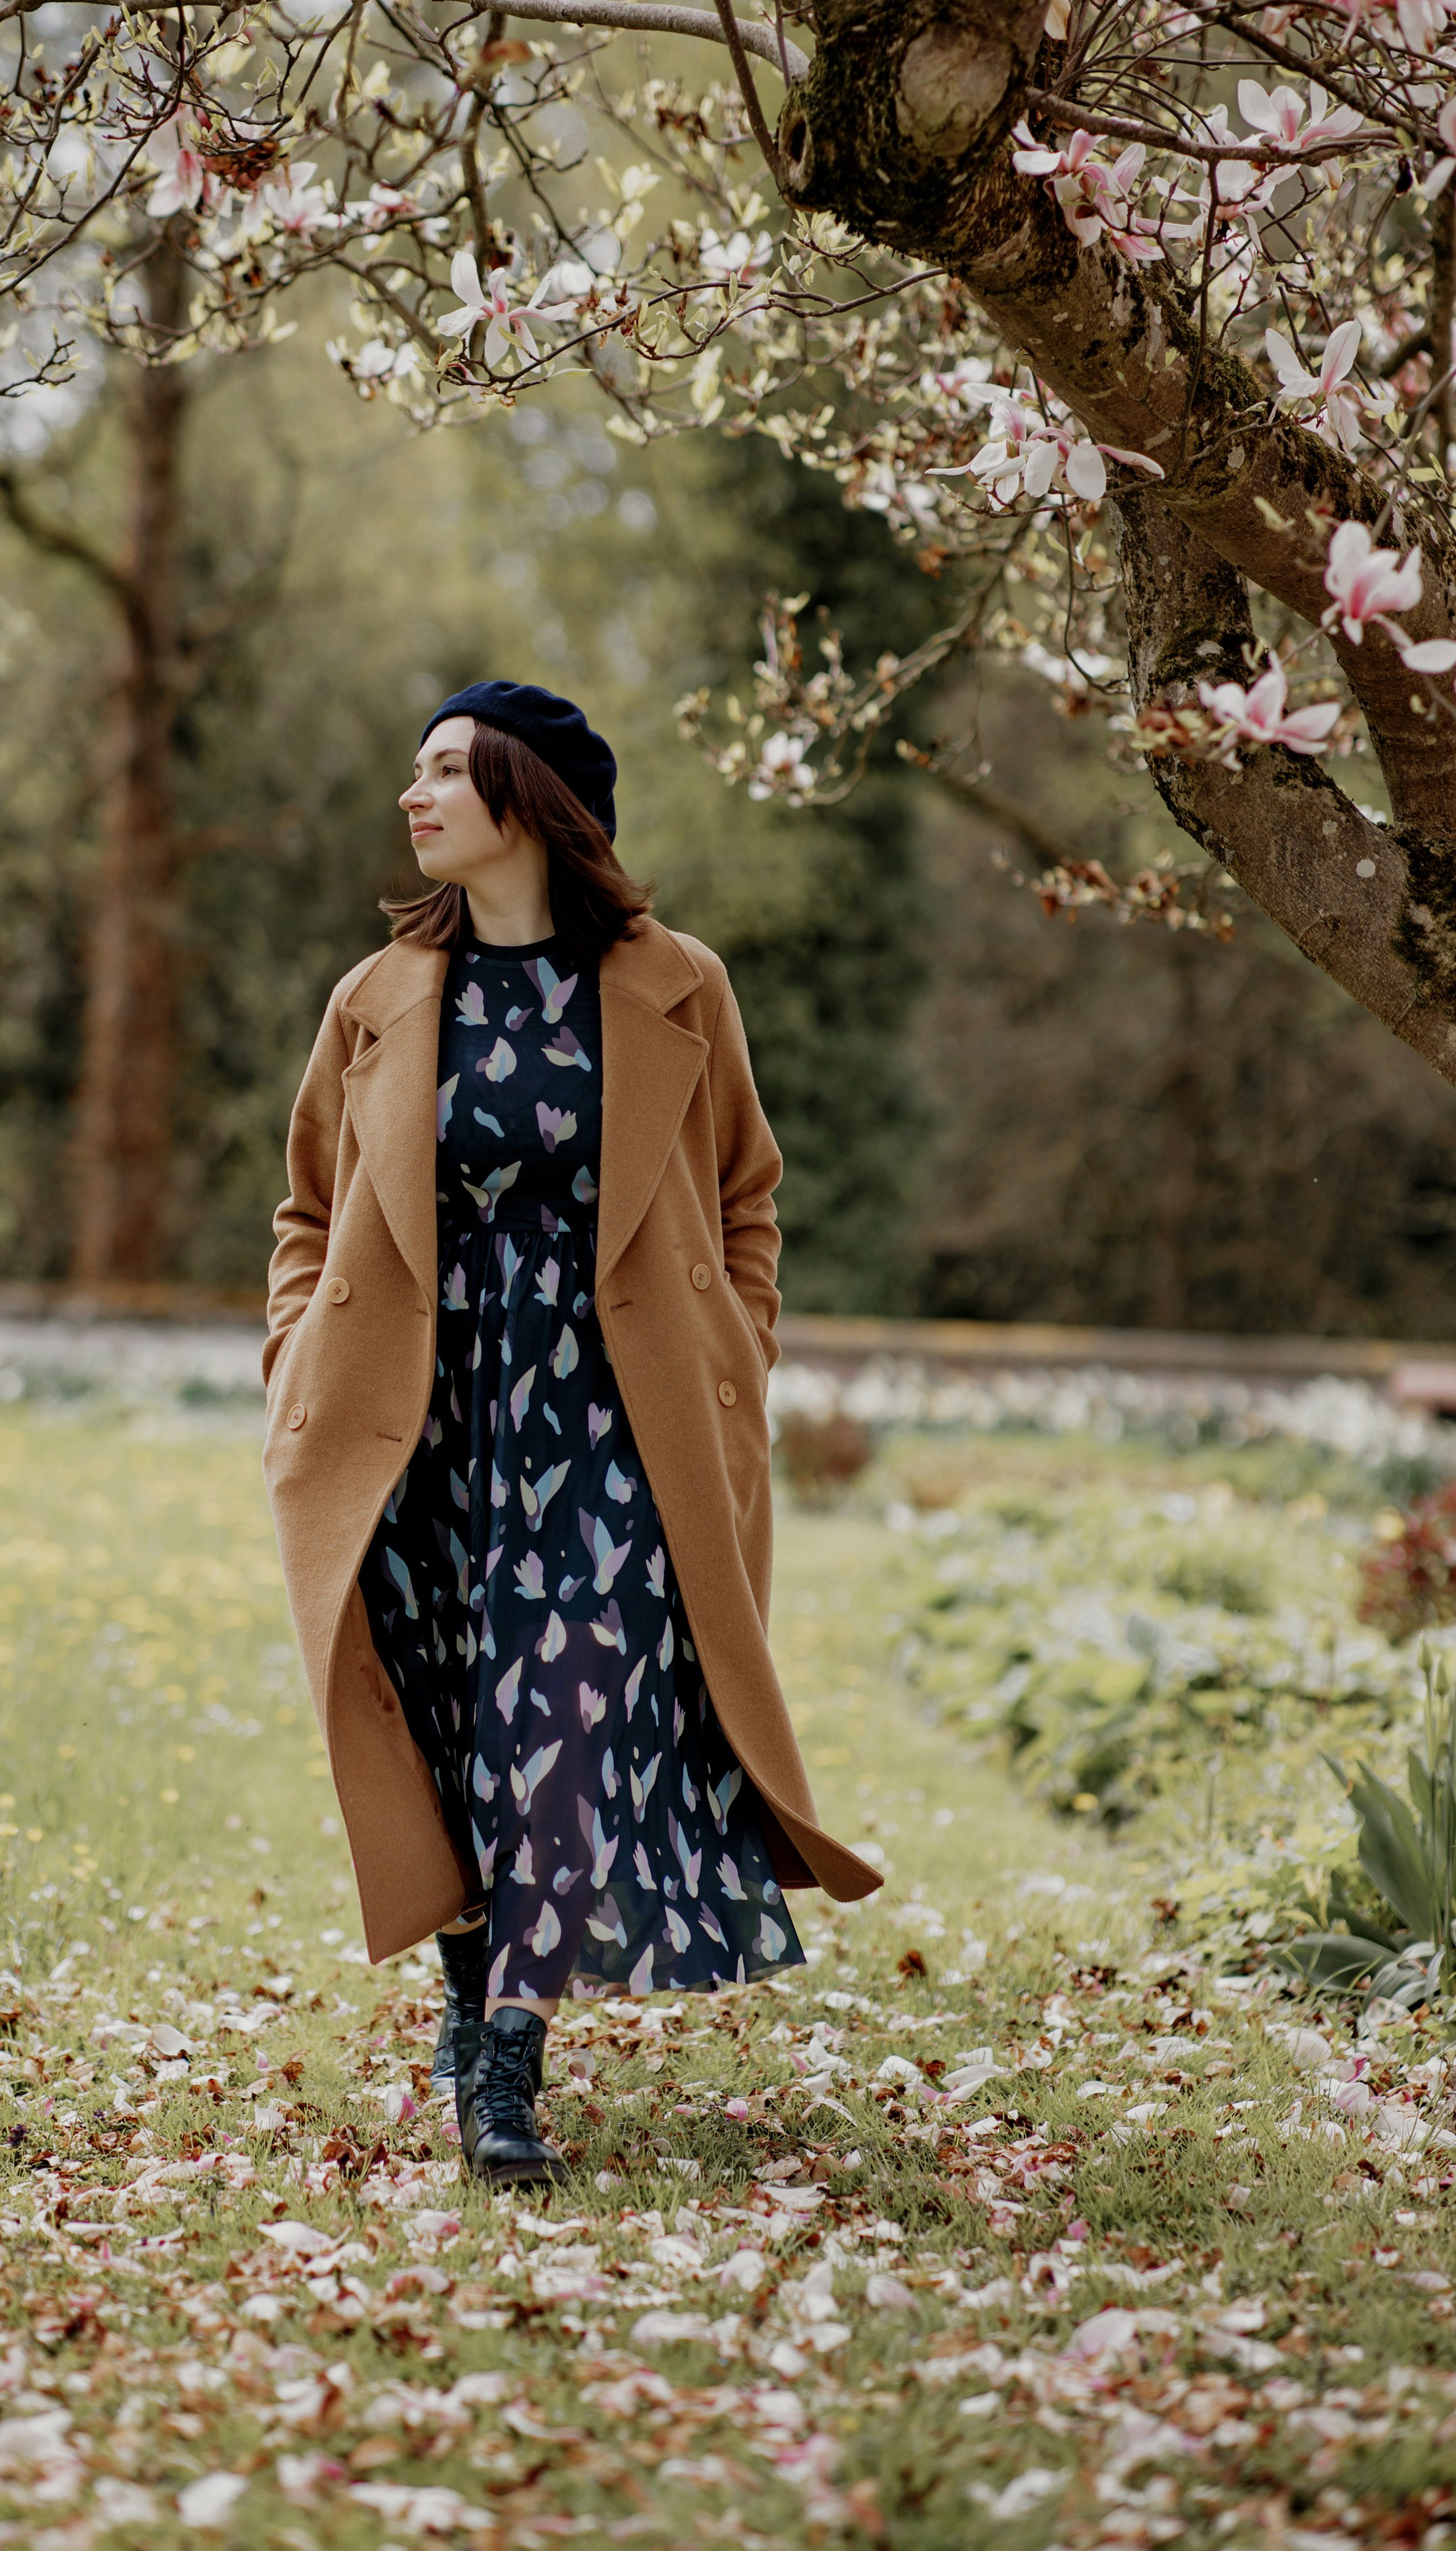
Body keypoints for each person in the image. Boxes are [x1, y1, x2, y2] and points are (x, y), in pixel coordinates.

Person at [263, 679, 880, 2187]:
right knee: (457, 1719)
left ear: (526, 799)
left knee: (565, 1719)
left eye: (444, 771)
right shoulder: (377, 997)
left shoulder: (677, 983)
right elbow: (305, 1207)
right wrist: (294, 1359)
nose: (413, 797)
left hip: (613, 1428)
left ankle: (506, 2068)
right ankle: (473, 2013)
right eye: (411, 770)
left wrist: (735, 1349)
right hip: (416, 1421)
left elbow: (746, 1196)